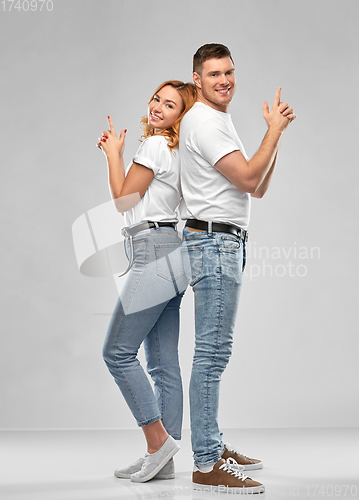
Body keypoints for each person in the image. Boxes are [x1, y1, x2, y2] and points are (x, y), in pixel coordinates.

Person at [179, 43, 296, 494]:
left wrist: (274, 135)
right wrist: (273, 131)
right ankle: (207, 462)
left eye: (229, 72)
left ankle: (213, 444)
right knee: (211, 354)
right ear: (198, 80)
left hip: (223, 240)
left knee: (213, 352)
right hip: (213, 242)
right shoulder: (206, 122)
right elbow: (249, 177)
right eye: (214, 74)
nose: (224, 80)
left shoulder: (218, 120)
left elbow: (256, 189)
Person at [97, 80, 196, 483]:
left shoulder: (156, 146)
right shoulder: (177, 152)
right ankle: (163, 461)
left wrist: (113, 155)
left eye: (169, 105)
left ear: (181, 117)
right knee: (162, 361)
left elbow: (123, 200)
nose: (157, 107)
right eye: (157, 98)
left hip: (153, 248)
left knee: (117, 353)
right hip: (173, 248)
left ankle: (158, 444)